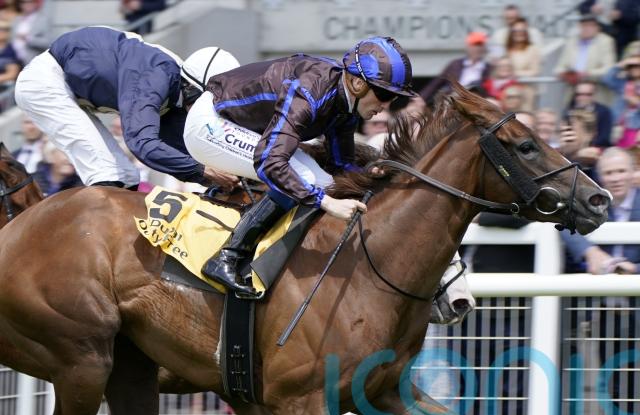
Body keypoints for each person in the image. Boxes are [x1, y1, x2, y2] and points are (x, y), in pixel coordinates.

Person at [184, 36, 417, 295]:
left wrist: (367, 173)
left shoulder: (346, 105)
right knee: (305, 178)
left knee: (324, 181)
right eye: (384, 94)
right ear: (357, 83)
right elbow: (270, 161)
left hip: (242, 125)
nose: (386, 106)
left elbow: (340, 165)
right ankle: (226, 257)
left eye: (394, 98)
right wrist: (326, 202)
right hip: (210, 123)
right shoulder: (310, 91)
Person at [14, 26, 237, 191]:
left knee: (128, 176)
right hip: (44, 82)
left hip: (70, 82)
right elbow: (143, 143)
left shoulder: (176, 88)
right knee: (109, 172)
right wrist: (203, 172)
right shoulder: (154, 78)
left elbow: (191, 149)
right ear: (191, 88)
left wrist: (224, 173)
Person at [561, 147, 640, 274]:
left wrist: (635, 269)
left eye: (621, 171)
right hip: (598, 282)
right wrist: (590, 252)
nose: (615, 179)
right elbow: (564, 221)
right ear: (600, 177)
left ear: (633, 172)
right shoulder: (592, 202)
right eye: (608, 173)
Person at [420, 31, 492, 103]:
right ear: (467, 47)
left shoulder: (489, 68)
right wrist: (421, 99)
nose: (477, 48)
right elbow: (435, 84)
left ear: (484, 48)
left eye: (480, 45)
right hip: (454, 101)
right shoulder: (455, 65)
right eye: (474, 45)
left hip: (477, 102)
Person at [554, 14, 616, 87]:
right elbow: (559, 67)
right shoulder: (572, 41)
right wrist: (564, 74)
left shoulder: (605, 41)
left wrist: (586, 74)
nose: (587, 29)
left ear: (598, 28)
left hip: (595, 87)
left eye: (591, 26)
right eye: (584, 25)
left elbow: (609, 68)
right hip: (573, 87)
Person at [563, 80, 613, 149]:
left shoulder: (603, 112)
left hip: (596, 148)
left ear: (594, 95)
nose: (582, 97)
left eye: (587, 94)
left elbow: (604, 137)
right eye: (579, 94)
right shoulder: (569, 111)